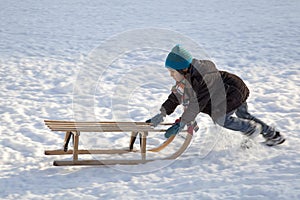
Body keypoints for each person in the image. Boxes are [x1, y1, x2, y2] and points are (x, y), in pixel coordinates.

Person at [146, 44, 285, 146]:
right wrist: (163, 113)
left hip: (232, 92)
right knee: (244, 116)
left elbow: (197, 104)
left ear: (183, 69)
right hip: (231, 89)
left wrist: (182, 122)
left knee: (220, 118)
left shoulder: (204, 78)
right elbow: (175, 96)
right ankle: (273, 135)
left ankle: (251, 129)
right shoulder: (185, 78)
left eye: (172, 72)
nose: (170, 75)